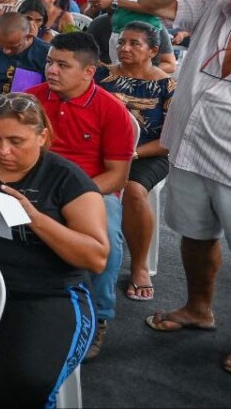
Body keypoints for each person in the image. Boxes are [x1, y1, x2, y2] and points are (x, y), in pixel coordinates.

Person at [0, 93, 107, 408]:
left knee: (25, 380)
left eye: (16, 141)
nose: (3, 150)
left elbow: (96, 257)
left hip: (47, 292)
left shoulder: (66, 179)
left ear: (42, 136)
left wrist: (35, 219)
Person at [129, 0, 231, 376]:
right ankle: (199, 308)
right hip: (189, 147)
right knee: (195, 235)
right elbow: (149, 0)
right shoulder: (215, 2)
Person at [26, 32, 135, 360]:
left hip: (93, 189)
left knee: (108, 237)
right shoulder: (32, 98)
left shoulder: (111, 110)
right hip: (35, 182)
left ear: (89, 72)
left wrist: (71, 197)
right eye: (49, 62)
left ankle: (99, 315)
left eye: (63, 65)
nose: (52, 70)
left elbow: (118, 176)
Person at [93, 21, 175, 303]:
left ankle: (139, 266)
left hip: (147, 153)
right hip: (99, 149)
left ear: (153, 50)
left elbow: (169, 140)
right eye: (121, 42)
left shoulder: (167, 86)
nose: (124, 48)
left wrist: (131, 154)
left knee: (135, 190)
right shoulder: (102, 76)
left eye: (134, 44)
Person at [0, 12, 50, 94]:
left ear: (29, 37)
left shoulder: (45, 54)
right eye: (0, 45)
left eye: (13, 47)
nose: (5, 51)